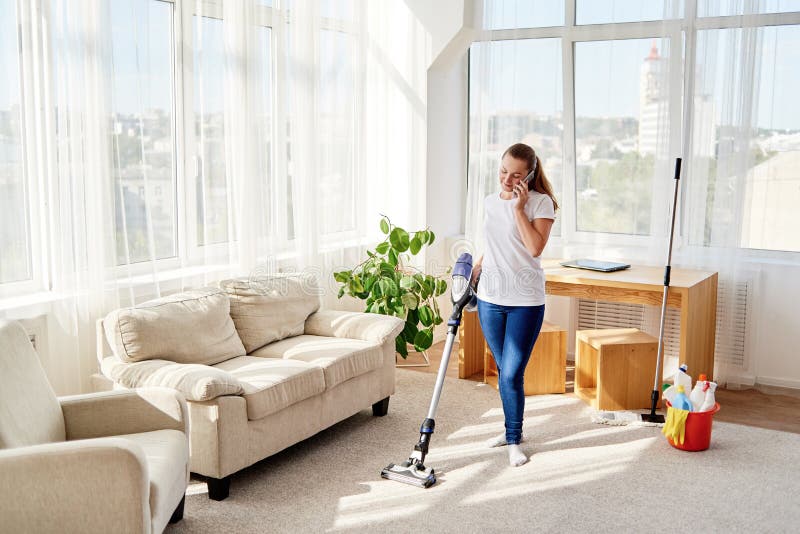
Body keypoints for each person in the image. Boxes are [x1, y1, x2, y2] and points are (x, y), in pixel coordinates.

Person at [471, 142, 558, 467]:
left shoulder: (541, 203)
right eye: (503, 171)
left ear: (530, 175)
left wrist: (519, 209)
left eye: (516, 174)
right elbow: (493, 242)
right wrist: (477, 265)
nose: (507, 179)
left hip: (525, 301)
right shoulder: (490, 202)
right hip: (490, 298)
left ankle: (512, 439)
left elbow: (535, 248)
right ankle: (512, 430)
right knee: (504, 370)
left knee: (510, 374)